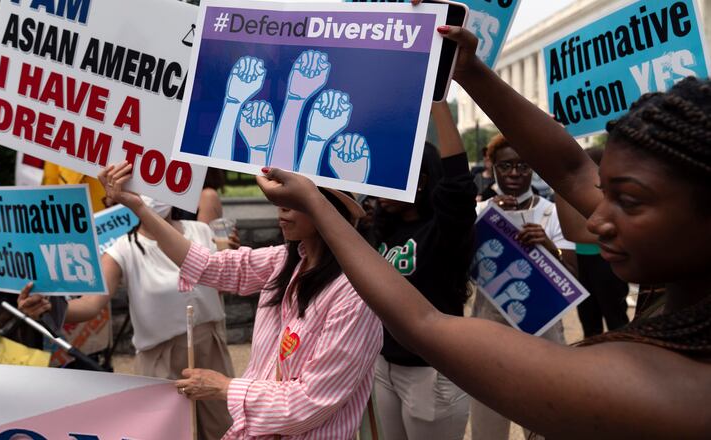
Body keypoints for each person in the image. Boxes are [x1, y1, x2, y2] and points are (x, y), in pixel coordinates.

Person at [253, 21, 711, 438]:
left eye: (627, 200)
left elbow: (423, 323)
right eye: (605, 192)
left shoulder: (670, 391)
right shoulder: (682, 269)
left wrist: (315, 202)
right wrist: (469, 71)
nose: (595, 219)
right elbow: (571, 169)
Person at [101, 161, 383, 439]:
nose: (281, 207)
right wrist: (139, 208)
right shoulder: (287, 260)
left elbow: (309, 401)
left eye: (295, 199)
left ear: (328, 209)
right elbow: (209, 266)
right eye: (280, 196)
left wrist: (225, 386)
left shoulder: (354, 294)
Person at [19, 195, 236, 440]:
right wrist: (50, 306)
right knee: (166, 433)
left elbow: (224, 281)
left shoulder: (201, 231)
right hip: (159, 358)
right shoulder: (123, 248)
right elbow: (91, 304)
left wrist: (232, 256)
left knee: (224, 430)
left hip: (209, 349)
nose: (153, 196)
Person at [369, 102, 475, 440]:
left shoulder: (444, 231)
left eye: (393, 176)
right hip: (384, 365)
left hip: (431, 372)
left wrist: (440, 107)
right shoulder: (380, 228)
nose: (381, 186)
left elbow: (458, 185)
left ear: (421, 180)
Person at [471, 134, 577, 439]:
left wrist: (547, 245)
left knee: (544, 416)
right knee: (487, 419)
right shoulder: (479, 213)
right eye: (506, 166)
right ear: (492, 168)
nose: (515, 173)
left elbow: (572, 274)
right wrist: (486, 221)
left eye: (522, 165)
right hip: (490, 327)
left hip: (542, 327)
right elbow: (459, 267)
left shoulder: (551, 212)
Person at [563, 147, 630, 337]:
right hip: (583, 260)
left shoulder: (612, 193)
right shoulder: (574, 189)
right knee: (590, 321)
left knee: (616, 320)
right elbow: (572, 231)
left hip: (606, 261)